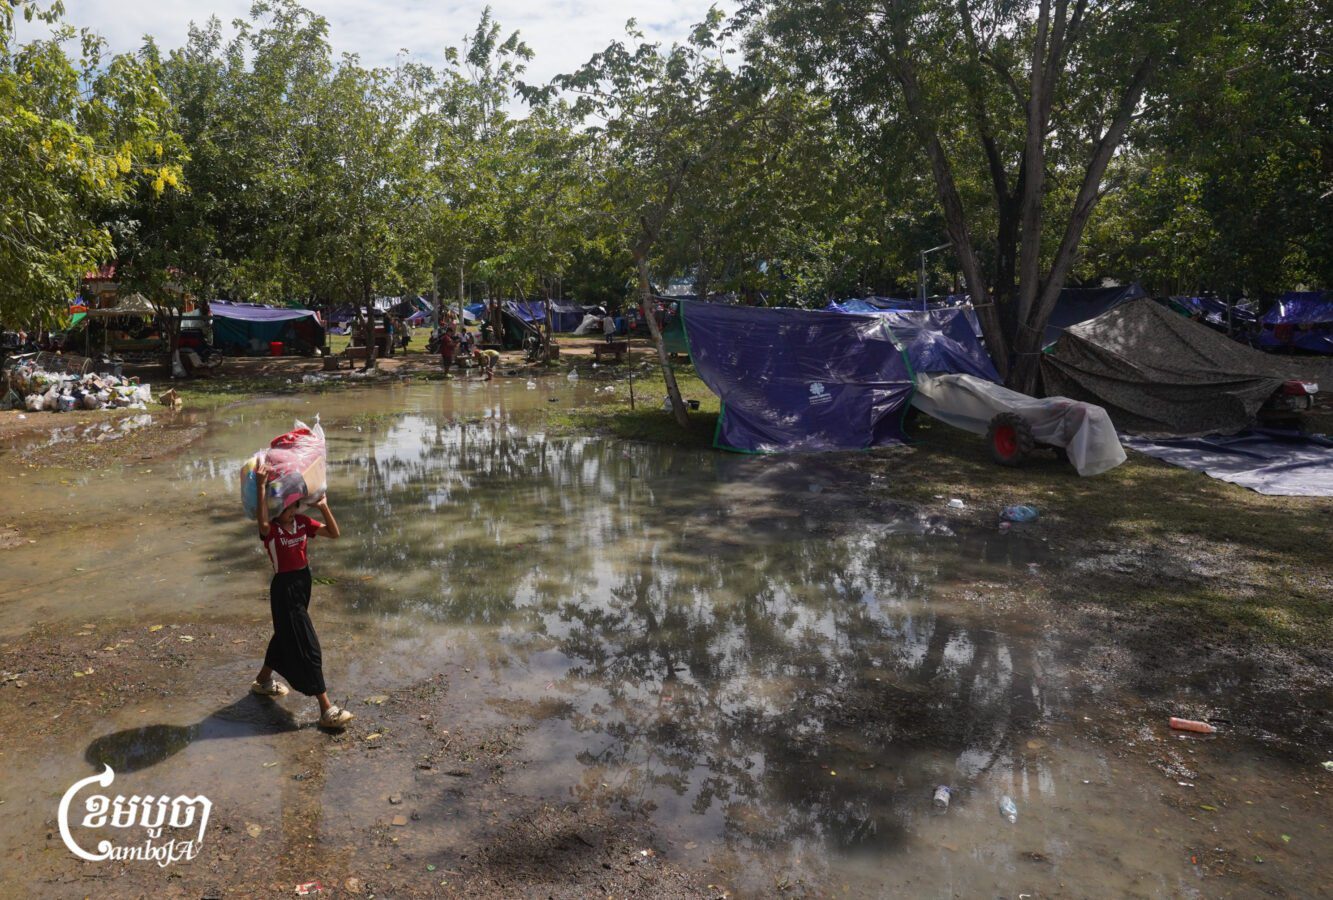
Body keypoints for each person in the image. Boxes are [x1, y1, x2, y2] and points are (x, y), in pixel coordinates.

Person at [252, 467, 354, 730]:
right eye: (288, 507)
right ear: (276, 509)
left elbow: (334, 534)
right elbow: (261, 523)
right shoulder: (271, 530)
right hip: (284, 590)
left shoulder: (302, 523)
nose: (293, 509)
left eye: (295, 505)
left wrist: (323, 507)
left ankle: (262, 682)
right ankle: (326, 708)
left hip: (303, 583)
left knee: (286, 634)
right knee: (307, 643)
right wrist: (262, 485)